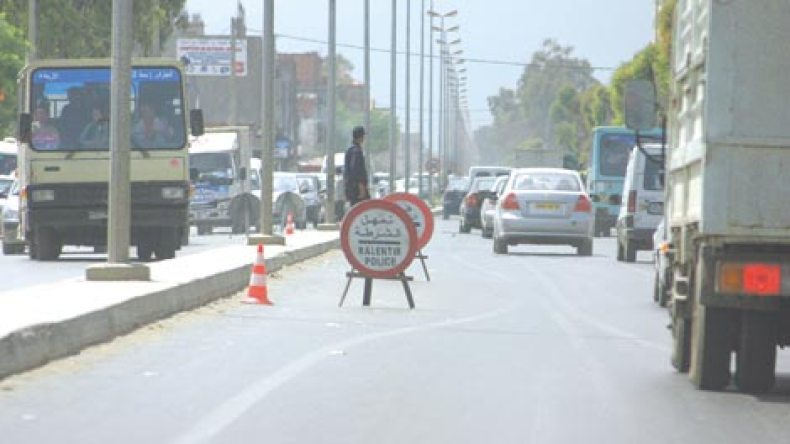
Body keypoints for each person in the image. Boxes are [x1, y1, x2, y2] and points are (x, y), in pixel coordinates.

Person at [343, 126, 370, 207]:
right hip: (357, 190)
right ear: (361, 137)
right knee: (362, 209)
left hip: (351, 188)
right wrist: (361, 188)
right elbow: (356, 171)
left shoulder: (350, 150)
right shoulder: (357, 151)